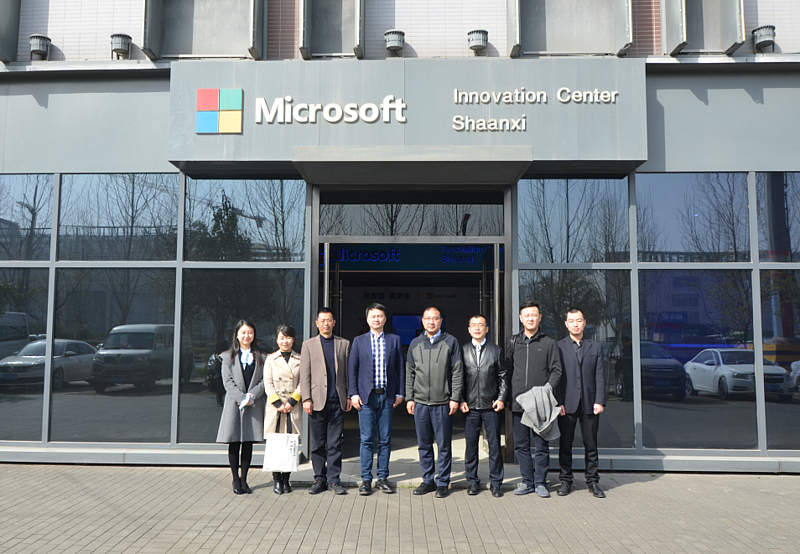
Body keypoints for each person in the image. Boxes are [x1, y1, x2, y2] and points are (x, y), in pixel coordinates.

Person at [506, 301, 562, 498]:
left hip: (540, 405)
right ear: (521, 318)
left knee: (541, 446)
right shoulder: (513, 343)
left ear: (540, 317)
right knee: (521, 446)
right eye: (526, 315)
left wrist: (546, 391)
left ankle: (540, 482)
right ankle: (527, 481)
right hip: (518, 403)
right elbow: (506, 371)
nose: (530, 318)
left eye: (534, 315)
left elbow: (556, 370)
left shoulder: (549, 343)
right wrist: (507, 396)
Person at [348, 303, 405, 495]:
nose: (376, 319)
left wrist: (400, 393)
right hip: (366, 398)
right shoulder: (359, 341)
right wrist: (353, 394)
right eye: (373, 316)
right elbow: (352, 370)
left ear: (385, 319)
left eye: (380, 316)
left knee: (385, 440)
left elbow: (400, 368)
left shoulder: (394, 340)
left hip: (387, 396)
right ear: (367, 319)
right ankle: (366, 479)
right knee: (366, 440)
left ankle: (382, 478)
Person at [406, 307, 463, 498]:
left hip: (443, 403)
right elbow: (409, 373)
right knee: (424, 445)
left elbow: (457, 372)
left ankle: (443, 482)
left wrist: (455, 398)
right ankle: (428, 480)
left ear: (441, 321)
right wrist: (409, 398)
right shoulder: (415, 343)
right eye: (428, 319)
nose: (431, 322)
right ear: (422, 321)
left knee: (444, 445)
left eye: (435, 318)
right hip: (420, 403)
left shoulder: (450, 342)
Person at [300, 307, 351, 495]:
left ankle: (334, 480)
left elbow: (347, 373)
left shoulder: (344, 344)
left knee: (335, 444)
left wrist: (348, 396)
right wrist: (306, 398)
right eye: (322, 320)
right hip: (316, 402)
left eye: (329, 320)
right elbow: (304, 375)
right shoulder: (308, 345)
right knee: (318, 444)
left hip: (337, 401)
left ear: (334, 322)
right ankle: (319, 479)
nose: (326, 323)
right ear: (317, 323)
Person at [556, 308, 606, 498]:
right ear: (566, 324)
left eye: (579, 320)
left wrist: (599, 400)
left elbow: (600, 375)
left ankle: (593, 481)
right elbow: (556, 377)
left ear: (584, 322)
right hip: (566, 404)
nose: (575, 324)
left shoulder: (595, 346)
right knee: (565, 445)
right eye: (571, 321)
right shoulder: (558, 346)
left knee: (591, 444)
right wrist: (558, 402)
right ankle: (565, 481)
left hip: (590, 403)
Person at [216, 319, 266, 495]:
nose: (247, 335)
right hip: (234, 405)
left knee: (248, 442)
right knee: (234, 441)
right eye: (243, 332)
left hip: (253, 404)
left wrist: (251, 396)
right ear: (237, 335)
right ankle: (235, 479)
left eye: (250, 332)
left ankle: (244, 478)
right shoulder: (227, 357)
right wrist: (241, 398)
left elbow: (264, 381)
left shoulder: (262, 357)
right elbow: (227, 382)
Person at [460, 314, 507, 498]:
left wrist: (501, 398)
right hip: (470, 406)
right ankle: (472, 481)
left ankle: (496, 483)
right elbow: (458, 378)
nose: (477, 328)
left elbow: (503, 376)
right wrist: (461, 399)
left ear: (487, 329)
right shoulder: (463, 351)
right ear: (469, 329)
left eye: (481, 325)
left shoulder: (496, 350)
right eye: (474, 325)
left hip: (491, 405)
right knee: (471, 446)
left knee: (494, 446)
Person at [264, 324, 302, 495]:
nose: (284, 341)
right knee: (275, 445)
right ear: (277, 339)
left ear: (293, 339)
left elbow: (303, 382)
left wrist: (292, 401)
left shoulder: (300, 359)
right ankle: (277, 479)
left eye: (288, 337)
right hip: (276, 408)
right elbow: (268, 384)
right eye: (281, 337)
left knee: (290, 444)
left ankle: (287, 478)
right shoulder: (270, 359)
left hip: (292, 406)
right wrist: (279, 403)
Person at [212, 328, 234, 406]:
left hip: (233, 365)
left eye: (232, 334)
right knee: (221, 383)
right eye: (229, 334)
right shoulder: (221, 344)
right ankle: (219, 400)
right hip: (222, 365)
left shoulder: (236, 343)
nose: (230, 336)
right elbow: (217, 354)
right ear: (226, 335)